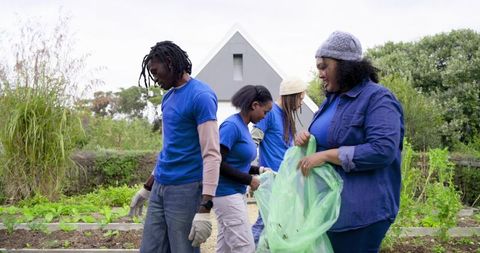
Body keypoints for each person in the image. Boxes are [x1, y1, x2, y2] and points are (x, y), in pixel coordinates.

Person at [295, 31, 404, 253]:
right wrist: (305, 138)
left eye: (324, 66)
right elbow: (326, 136)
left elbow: (383, 150)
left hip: (361, 213)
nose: (320, 74)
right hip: (329, 208)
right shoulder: (332, 99)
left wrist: (325, 155)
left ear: (345, 65)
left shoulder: (377, 98)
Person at [134, 41, 221, 253]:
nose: (154, 78)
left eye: (156, 71)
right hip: (160, 188)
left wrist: (205, 206)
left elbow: (211, 154)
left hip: (186, 189)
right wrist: (147, 187)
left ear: (170, 63)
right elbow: (169, 148)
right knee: (150, 249)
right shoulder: (168, 98)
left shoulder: (201, 96)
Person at [214, 85, 273, 253]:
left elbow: (237, 163)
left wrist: (259, 170)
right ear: (255, 105)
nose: (265, 116)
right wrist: (249, 180)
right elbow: (217, 163)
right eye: (265, 111)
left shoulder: (243, 126)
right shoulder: (231, 126)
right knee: (245, 248)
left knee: (225, 248)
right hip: (226, 194)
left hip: (234, 193)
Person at [250, 77, 307, 244]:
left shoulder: (287, 116)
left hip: (285, 179)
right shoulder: (270, 113)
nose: (301, 103)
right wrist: (250, 171)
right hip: (272, 178)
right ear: (292, 96)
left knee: (277, 222)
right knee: (265, 221)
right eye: (301, 98)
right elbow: (253, 139)